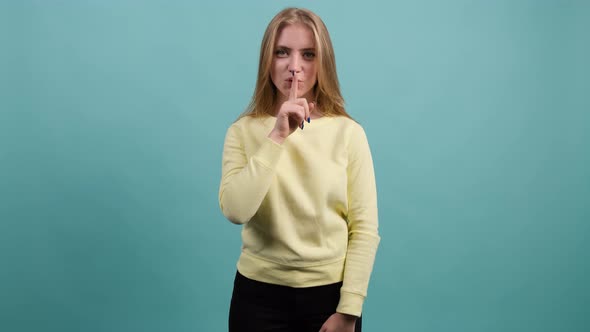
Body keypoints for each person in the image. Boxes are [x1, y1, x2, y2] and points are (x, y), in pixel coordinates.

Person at [219, 7, 380, 332]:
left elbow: (363, 229)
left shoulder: (349, 133)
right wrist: (277, 136)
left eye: (308, 54)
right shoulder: (242, 131)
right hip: (257, 298)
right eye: (282, 52)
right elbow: (236, 210)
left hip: (328, 300)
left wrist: (348, 310)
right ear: (268, 59)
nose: (294, 67)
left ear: (324, 63)